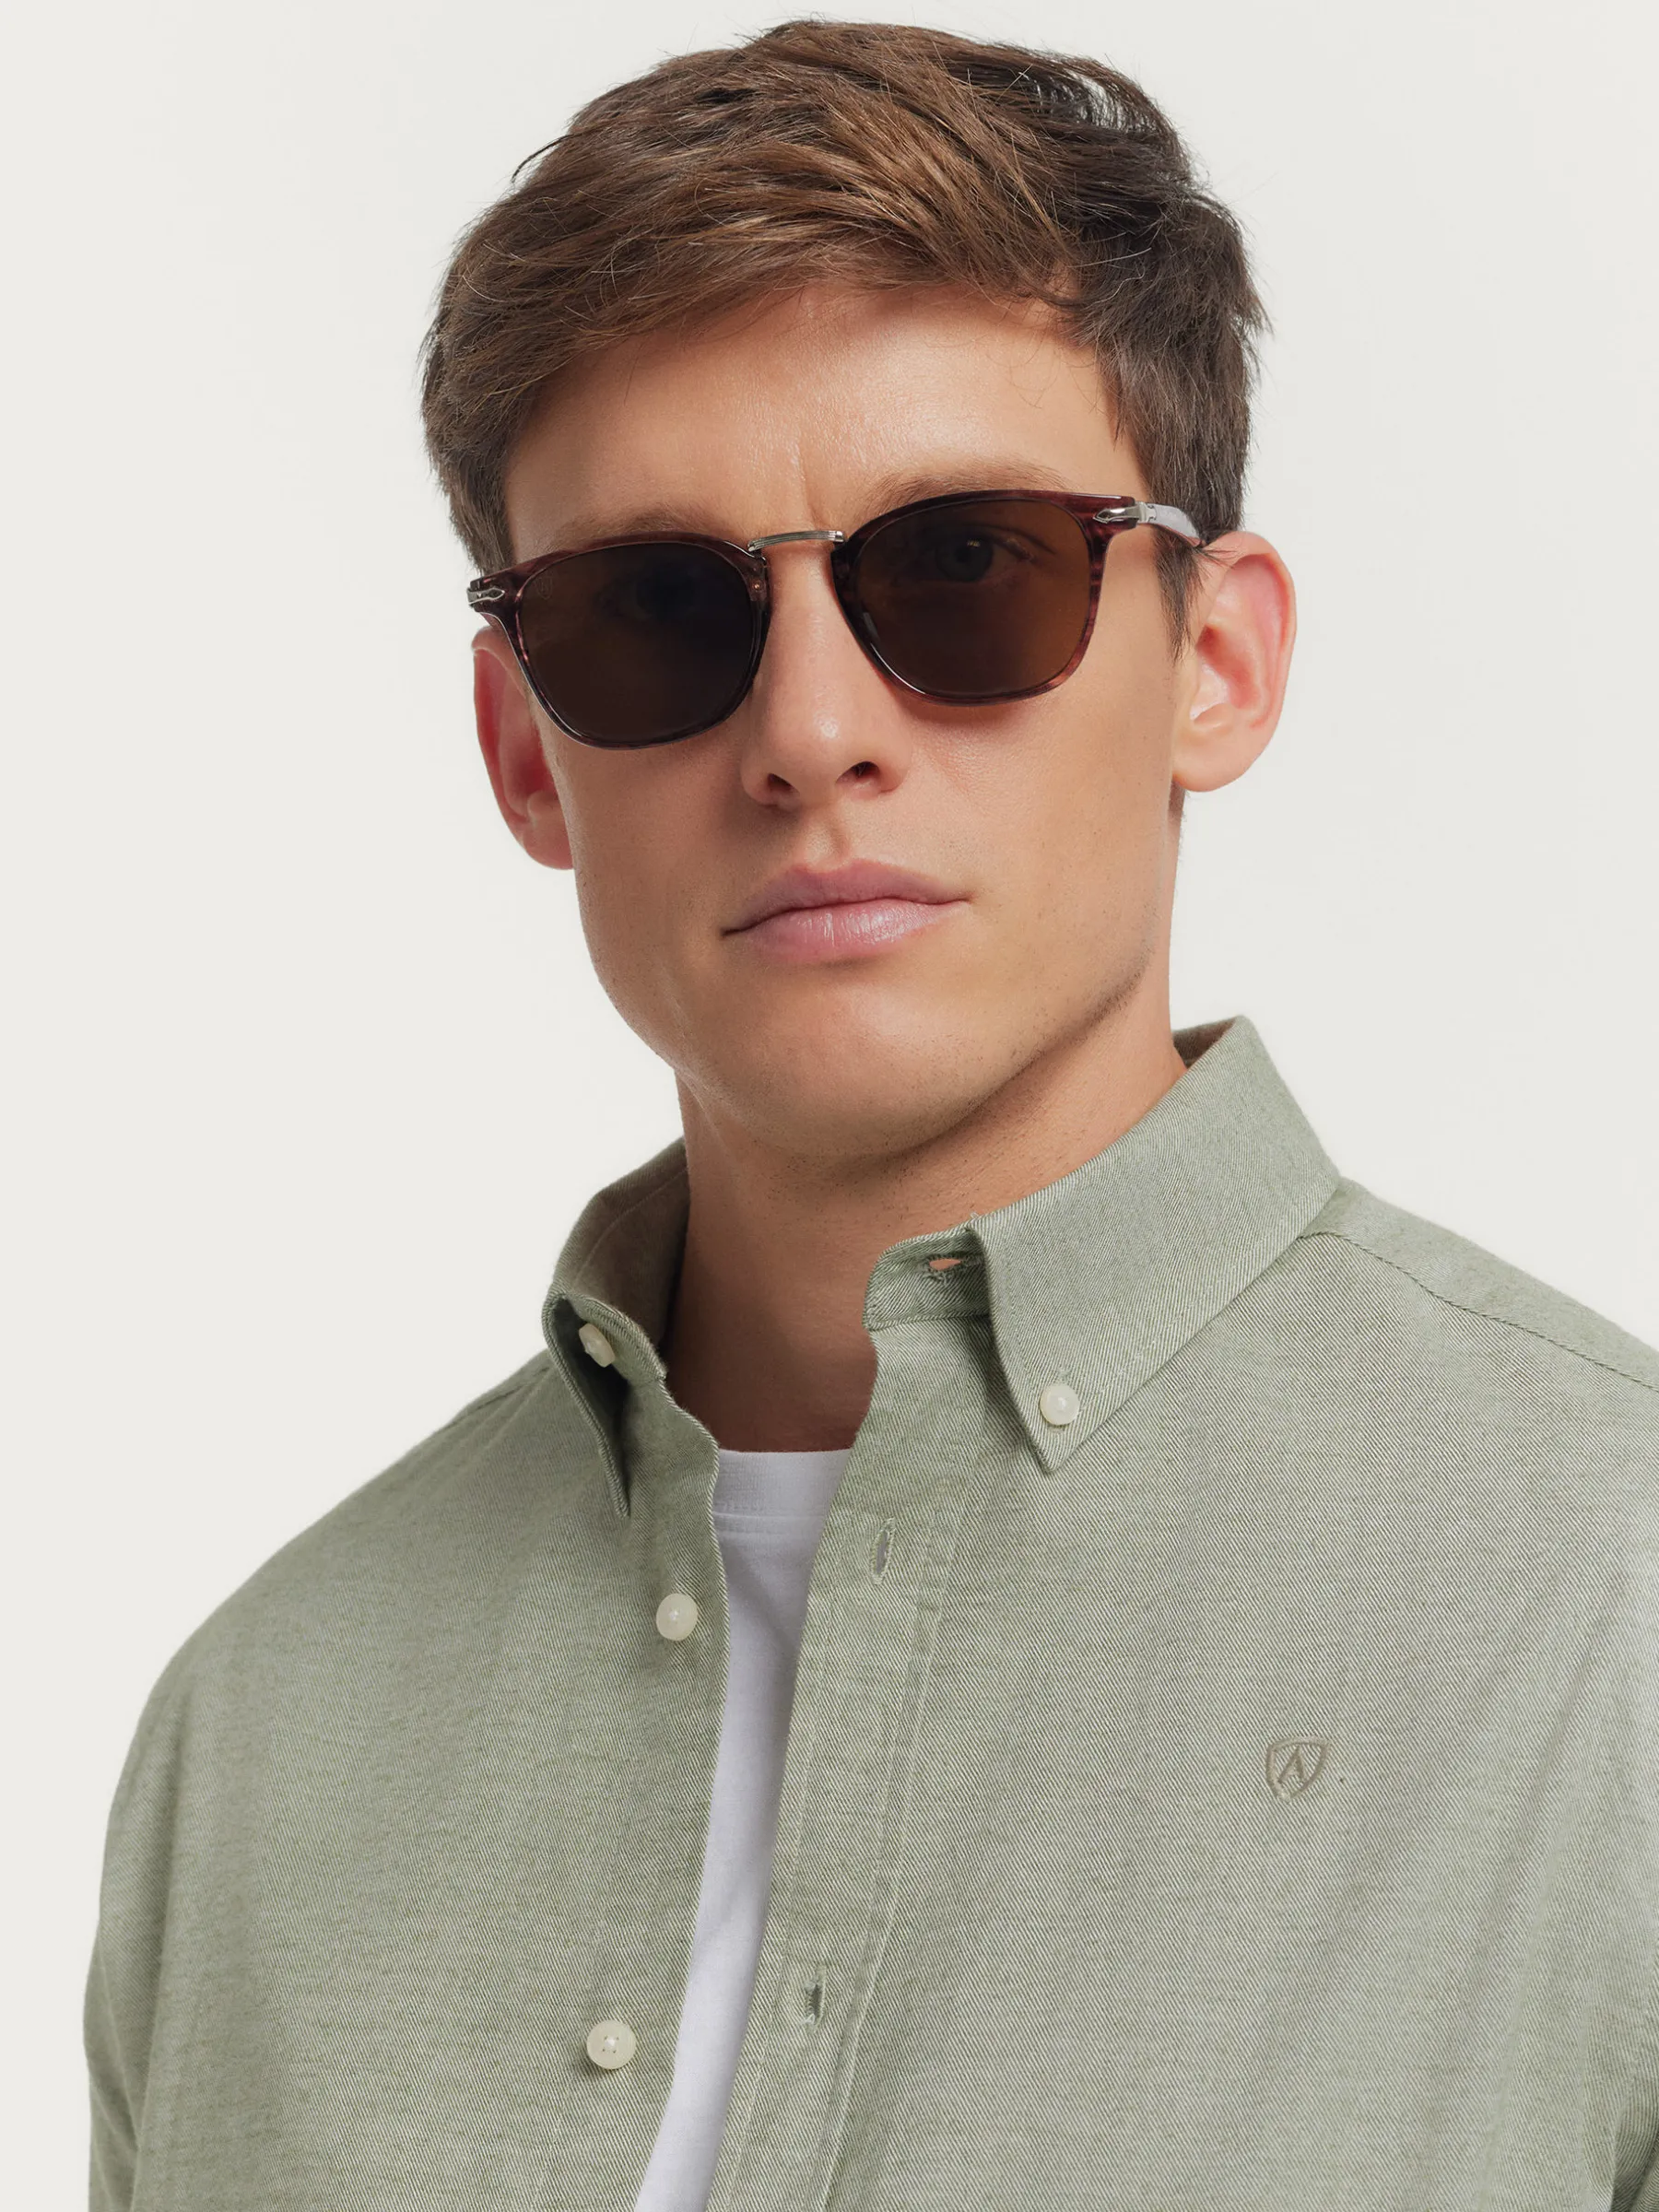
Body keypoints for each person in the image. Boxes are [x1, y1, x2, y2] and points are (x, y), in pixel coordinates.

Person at [83, 18, 1659, 2212]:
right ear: (527, 751)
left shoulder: (1610, 1612)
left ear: (1216, 662)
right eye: (658, 613)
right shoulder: (260, 1736)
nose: (813, 730)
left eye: (966, 569)